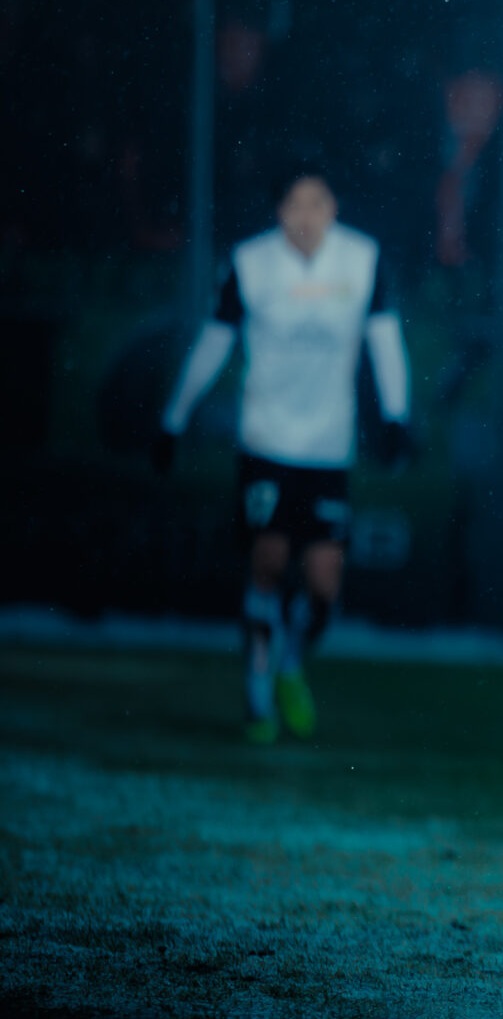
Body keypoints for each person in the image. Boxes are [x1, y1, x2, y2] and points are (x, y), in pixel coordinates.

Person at [155, 164, 414, 742]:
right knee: (269, 562)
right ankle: (257, 690)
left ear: (334, 208)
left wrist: (397, 416)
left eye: (318, 202)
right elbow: (215, 341)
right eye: (295, 204)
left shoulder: (362, 259)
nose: (307, 216)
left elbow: (386, 340)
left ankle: (290, 661)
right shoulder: (251, 263)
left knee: (324, 582)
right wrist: (174, 418)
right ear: (278, 211)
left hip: (328, 448)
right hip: (266, 442)